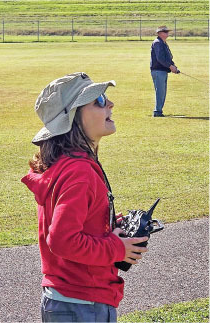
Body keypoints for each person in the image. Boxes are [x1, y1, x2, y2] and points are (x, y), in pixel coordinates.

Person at [21, 72, 149, 322]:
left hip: (67, 300)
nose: (109, 104)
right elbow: (62, 240)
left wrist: (107, 226)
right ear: (73, 118)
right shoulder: (79, 171)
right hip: (83, 304)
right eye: (98, 100)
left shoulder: (64, 164)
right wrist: (116, 248)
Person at [150, 25, 179, 117]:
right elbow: (160, 58)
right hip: (158, 70)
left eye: (167, 32)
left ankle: (159, 110)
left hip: (162, 70)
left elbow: (167, 57)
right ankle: (157, 112)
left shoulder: (163, 43)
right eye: (165, 32)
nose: (167, 33)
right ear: (160, 33)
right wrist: (170, 66)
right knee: (160, 92)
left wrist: (173, 66)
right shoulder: (158, 43)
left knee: (162, 92)